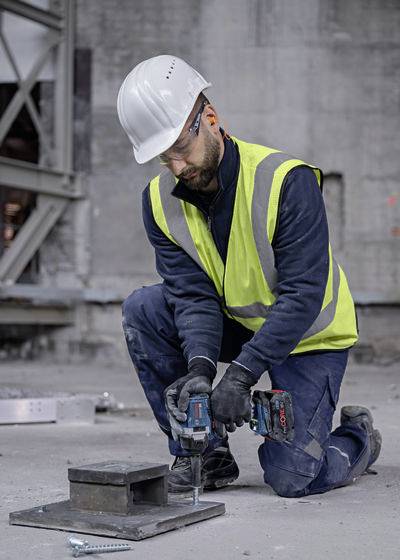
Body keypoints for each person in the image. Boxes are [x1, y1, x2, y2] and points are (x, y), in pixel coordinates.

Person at [117, 55, 381, 497]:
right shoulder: (159, 202)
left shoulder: (285, 181)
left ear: (211, 120)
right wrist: (201, 369)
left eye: (181, 148)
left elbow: (302, 295)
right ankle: (206, 456)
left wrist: (240, 377)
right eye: (164, 158)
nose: (177, 167)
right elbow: (192, 295)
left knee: (295, 477)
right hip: (240, 325)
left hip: (308, 336)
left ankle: (358, 438)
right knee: (144, 310)